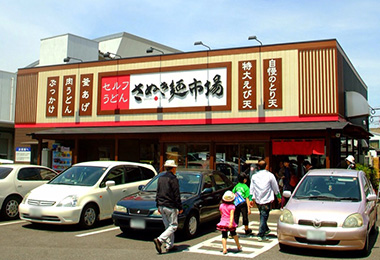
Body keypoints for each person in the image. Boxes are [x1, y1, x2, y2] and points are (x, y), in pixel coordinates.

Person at [153, 160, 183, 254]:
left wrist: (157, 204)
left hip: (162, 204)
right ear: (173, 168)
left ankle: (170, 245)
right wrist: (179, 206)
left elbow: (158, 191)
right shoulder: (173, 179)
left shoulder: (161, 178)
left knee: (168, 226)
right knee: (173, 226)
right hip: (170, 205)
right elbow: (176, 193)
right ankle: (160, 240)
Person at [249, 160, 282, 242]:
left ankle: (266, 228)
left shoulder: (254, 176)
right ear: (266, 166)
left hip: (258, 199)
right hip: (267, 198)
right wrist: (278, 196)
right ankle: (261, 233)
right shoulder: (270, 175)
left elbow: (251, 188)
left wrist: (250, 198)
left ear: (258, 167)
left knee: (263, 214)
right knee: (264, 215)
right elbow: (275, 187)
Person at [216, 190, 242, 254]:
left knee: (224, 235)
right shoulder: (232, 207)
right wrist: (231, 222)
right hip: (229, 222)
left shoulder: (221, 205)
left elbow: (221, 214)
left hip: (223, 222)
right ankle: (238, 246)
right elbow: (232, 215)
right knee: (234, 234)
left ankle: (224, 248)